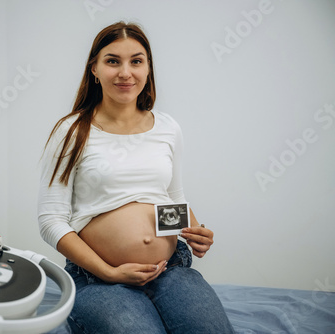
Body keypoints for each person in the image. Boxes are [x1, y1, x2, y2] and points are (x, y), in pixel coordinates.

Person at [38, 21, 234, 333]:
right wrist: (110, 272)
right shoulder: (72, 131)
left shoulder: (168, 128)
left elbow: (172, 197)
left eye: (136, 61)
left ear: (148, 68)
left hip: (171, 268)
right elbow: (51, 221)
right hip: (99, 278)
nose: (125, 73)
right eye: (113, 61)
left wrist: (197, 231)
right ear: (95, 69)